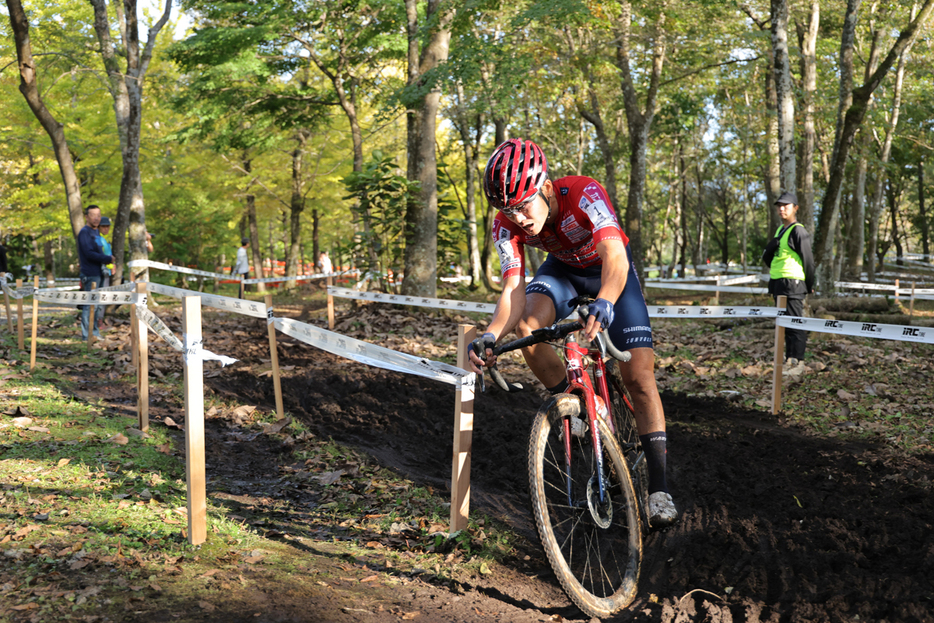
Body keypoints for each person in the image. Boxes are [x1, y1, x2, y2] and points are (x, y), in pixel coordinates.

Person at [467, 138, 678, 529]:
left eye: (524, 205)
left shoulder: (585, 192)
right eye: (508, 210)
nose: (520, 218)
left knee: (640, 378)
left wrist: (606, 301)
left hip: (610, 272)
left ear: (546, 187)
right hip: (561, 272)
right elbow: (513, 290)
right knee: (530, 328)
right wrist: (492, 334)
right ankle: (578, 403)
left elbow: (614, 255)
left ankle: (660, 488)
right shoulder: (506, 225)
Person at [762, 191, 815, 365]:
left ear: (795, 208)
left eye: (786, 206)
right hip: (779, 283)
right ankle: (788, 358)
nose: (782, 209)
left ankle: (797, 360)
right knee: (784, 324)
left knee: (794, 323)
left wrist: (809, 284)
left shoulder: (798, 231)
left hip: (793, 284)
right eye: (779, 206)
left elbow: (808, 260)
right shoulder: (780, 230)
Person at [76, 205, 113, 340]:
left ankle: (95, 333)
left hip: (100, 272)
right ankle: (87, 335)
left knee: (97, 305)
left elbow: (100, 251)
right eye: (93, 215)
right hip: (90, 274)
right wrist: (108, 258)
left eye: (98, 215)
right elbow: (89, 253)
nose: (96, 218)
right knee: (89, 305)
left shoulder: (97, 233)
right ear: (87, 217)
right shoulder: (85, 233)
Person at [96, 216, 114, 330]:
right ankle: (98, 322)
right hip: (101, 271)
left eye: (108, 226)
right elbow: (102, 257)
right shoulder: (98, 240)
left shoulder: (104, 239)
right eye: (103, 226)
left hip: (106, 271)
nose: (106, 228)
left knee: (103, 297)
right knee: (101, 297)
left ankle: (99, 320)